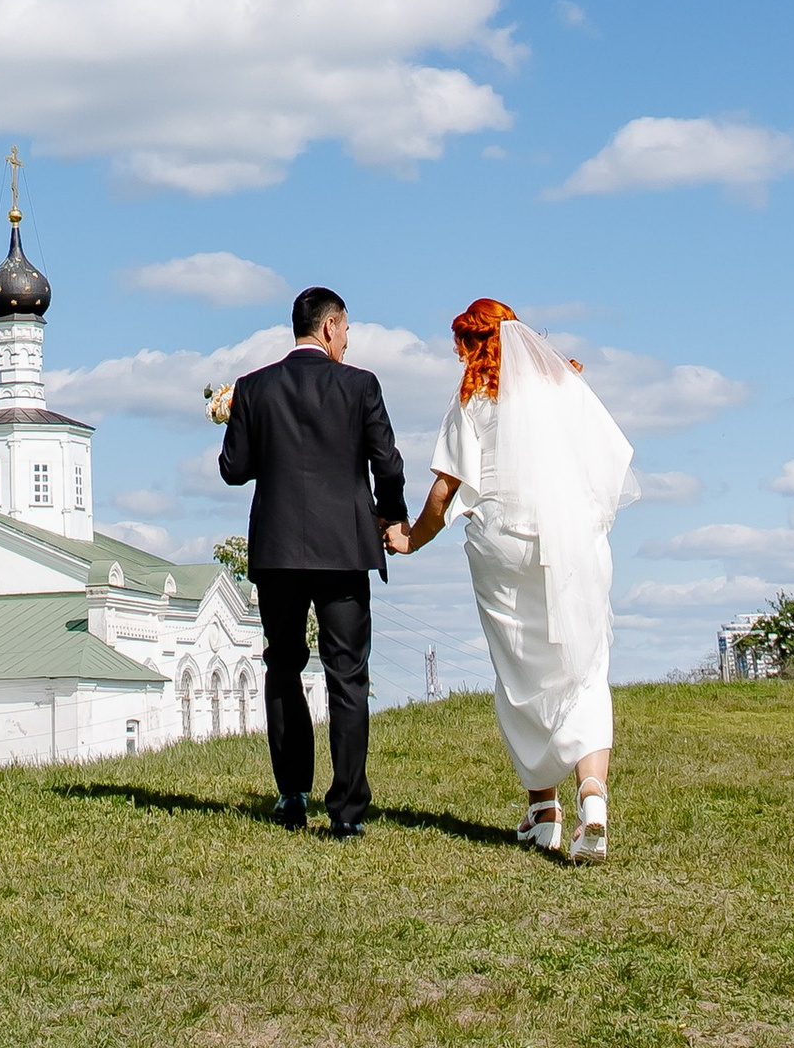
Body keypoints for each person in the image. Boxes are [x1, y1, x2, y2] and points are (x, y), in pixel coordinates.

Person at [393, 298, 631, 866]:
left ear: (473, 344)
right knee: (583, 663)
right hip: (573, 541)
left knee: (520, 670)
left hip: (503, 546)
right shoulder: (567, 386)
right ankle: (590, 798)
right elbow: (612, 460)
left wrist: (410, 538)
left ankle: (543, 811)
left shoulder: (474, 399)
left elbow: (446, 490)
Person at [214, 286, 407, 836]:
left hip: (277, 552)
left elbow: (234, 469)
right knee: (347, 676)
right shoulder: (361, 385)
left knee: (283, 666)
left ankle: (292, 795)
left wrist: (236, 416)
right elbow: (387, 464)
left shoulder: (253, 387)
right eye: (346, 330)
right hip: (344, 550)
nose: (348, 341)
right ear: (329, 328)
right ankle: (345, 814)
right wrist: (389, 518)